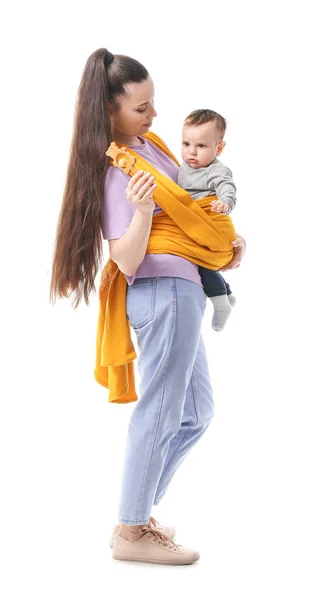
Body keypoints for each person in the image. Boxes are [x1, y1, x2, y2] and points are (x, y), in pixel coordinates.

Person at [49, 48, 246, 566]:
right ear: (109, 112)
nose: (153, 115)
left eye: (152, 102)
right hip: (160, 291)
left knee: (196, 413)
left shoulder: (152, 146)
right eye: (141, 108)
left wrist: (223, 246)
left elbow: (186, 217)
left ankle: (134, 514)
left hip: (184, 290)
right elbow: (127, 256)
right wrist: (140, 212)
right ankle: (131, 527)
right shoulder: (120, 167)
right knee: (159, 411)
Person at [178, 109, 238, 331]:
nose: (191, 152)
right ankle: (228, 293)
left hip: (212, 221)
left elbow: (226, 186)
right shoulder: (184, 167)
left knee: (200, 262)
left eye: (201, 146)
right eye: (186, 144)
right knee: (202, 262)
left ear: (219, 148)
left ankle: (220, 302)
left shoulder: (215, 170)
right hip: (196, 222)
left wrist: (225, 202)